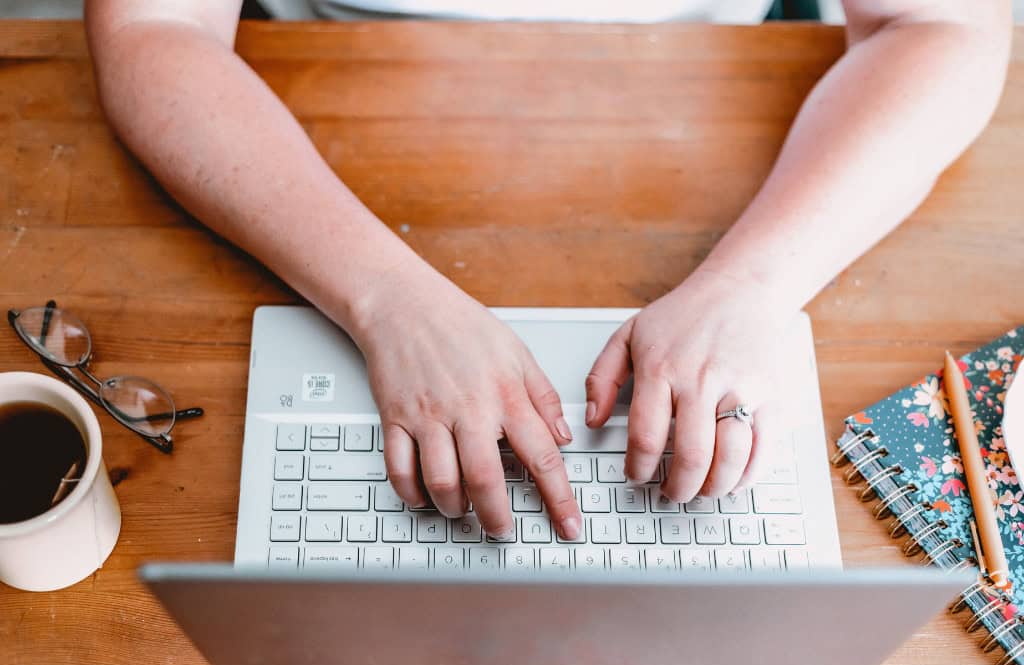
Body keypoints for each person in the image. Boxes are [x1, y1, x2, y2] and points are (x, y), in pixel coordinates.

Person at [84, 1, 1012, 543]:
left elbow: (941, 24)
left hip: (734, 136)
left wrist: (754, 286)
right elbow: (151, 26)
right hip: (305, 146)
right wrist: (384, 298)